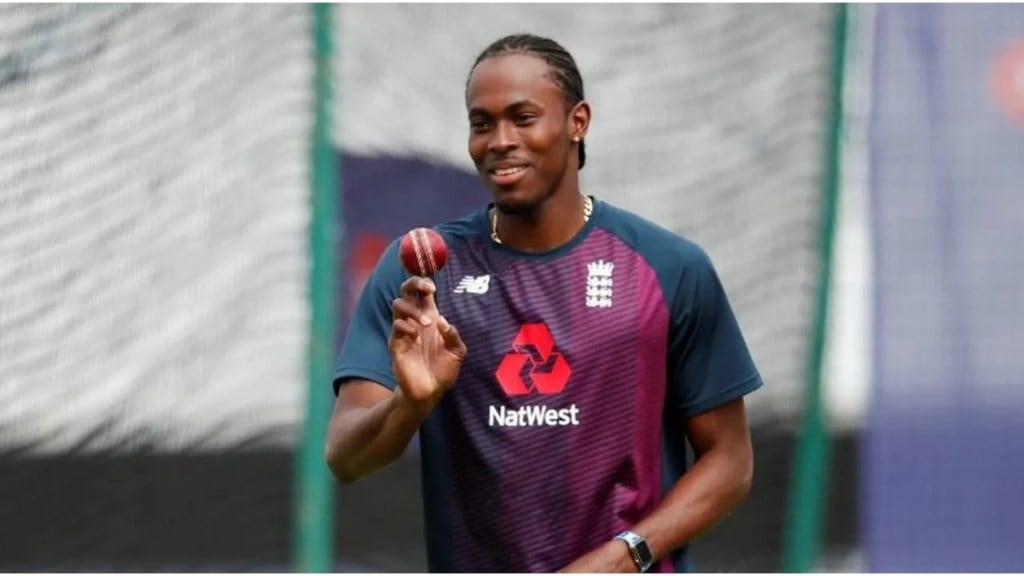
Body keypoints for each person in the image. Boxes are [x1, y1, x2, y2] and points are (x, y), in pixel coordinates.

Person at [326, 33, 762, 573]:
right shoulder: (420, 279)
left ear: (578, 122)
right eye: (481, 123)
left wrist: (625, 556)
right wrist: (410, 404)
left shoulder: (668, 268)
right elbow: (346, 457)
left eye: (523, 118)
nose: (500, 141)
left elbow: (731, 462)